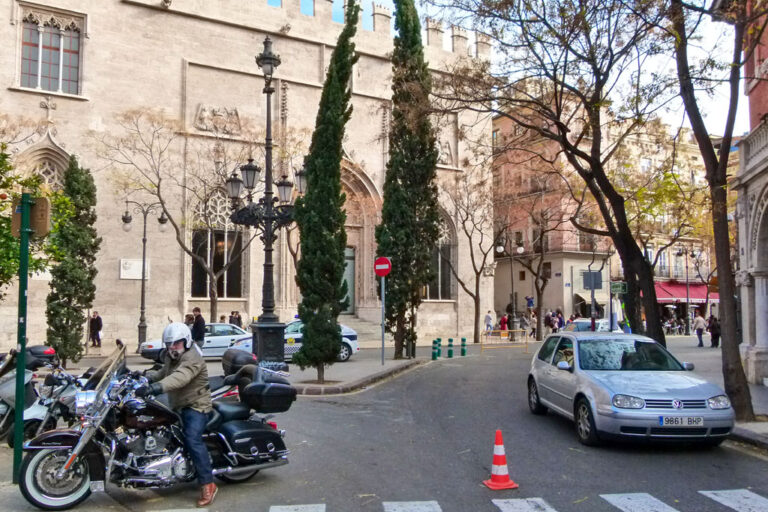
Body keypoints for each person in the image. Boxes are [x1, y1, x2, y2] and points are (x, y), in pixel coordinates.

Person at [138, 323, 217, 507]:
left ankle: (208, 483)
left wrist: (155, 387)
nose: (172, 347)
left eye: (176, 343)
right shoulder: (170, 356)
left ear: (186, 341)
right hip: (177, 403)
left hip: (196, 405)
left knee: (192, 439)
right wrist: (144, 376)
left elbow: (180, 377)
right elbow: (164, 372)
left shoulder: (192, 358)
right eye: (169, 344)